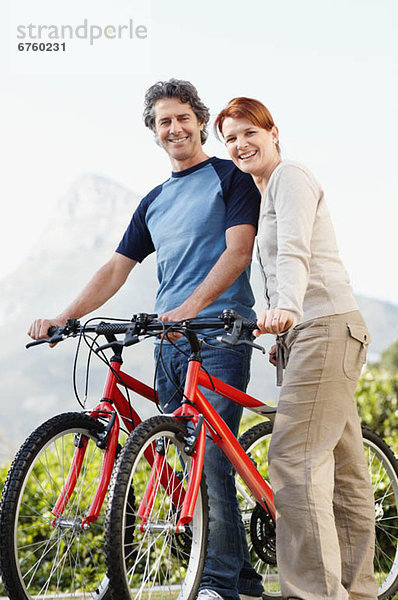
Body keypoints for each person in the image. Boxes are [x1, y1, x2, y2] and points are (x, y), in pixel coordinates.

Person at [28, 80, 264, 600]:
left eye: (183, 117)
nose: (175, 128)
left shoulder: (231, 177)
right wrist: (63, 317)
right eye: (164, 121)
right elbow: (117, 268)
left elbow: (238, 251)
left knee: (212, 458)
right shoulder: (154, 201)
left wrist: (189, 308)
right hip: (168, 342)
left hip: (218, 333)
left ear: (200, 121)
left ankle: (219, 584)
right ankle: (239, 574)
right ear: (153, 132)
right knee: (177, 456)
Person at [215, 97, 377, 600]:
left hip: (325, 325)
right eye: (231, 139)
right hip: (321, 330)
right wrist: (282, 330)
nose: (241, 145)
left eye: (249, 133)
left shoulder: (291, 177)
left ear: (274, 132)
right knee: (344, 471)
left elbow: (295, 252)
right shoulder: (267, 193)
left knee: (293, 458)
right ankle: (356, 591)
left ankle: (312, 594)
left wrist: (285, 307)